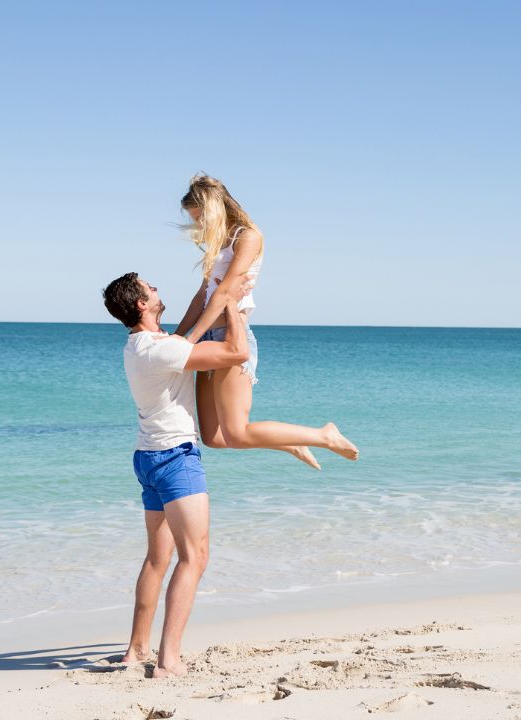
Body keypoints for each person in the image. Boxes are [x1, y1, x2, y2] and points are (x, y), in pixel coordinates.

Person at [101, 270, 252, 679]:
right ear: (141, 304)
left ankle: (136, 650)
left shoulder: (143, 345)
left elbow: (188, 326)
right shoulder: (160, 350)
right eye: (150, 288)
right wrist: (234, 308)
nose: (156, 289)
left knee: (158, 558)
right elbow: (237, 354)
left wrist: (214, 287)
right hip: (175, 459)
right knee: (195, 557)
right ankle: (168, 661)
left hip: (148, 458)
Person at [173, 174, 359, 468]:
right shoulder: (218, 242)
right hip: (208, 336)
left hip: (228, 337)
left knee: (236, 433)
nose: (199, 226)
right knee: (213, 437)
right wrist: (176, 338)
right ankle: (289, 443)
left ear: (215, 209)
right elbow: (202, 296)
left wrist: (191, 340)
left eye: (200, 219)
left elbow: (224, 293)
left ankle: (323, 435)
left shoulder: (248, 236)